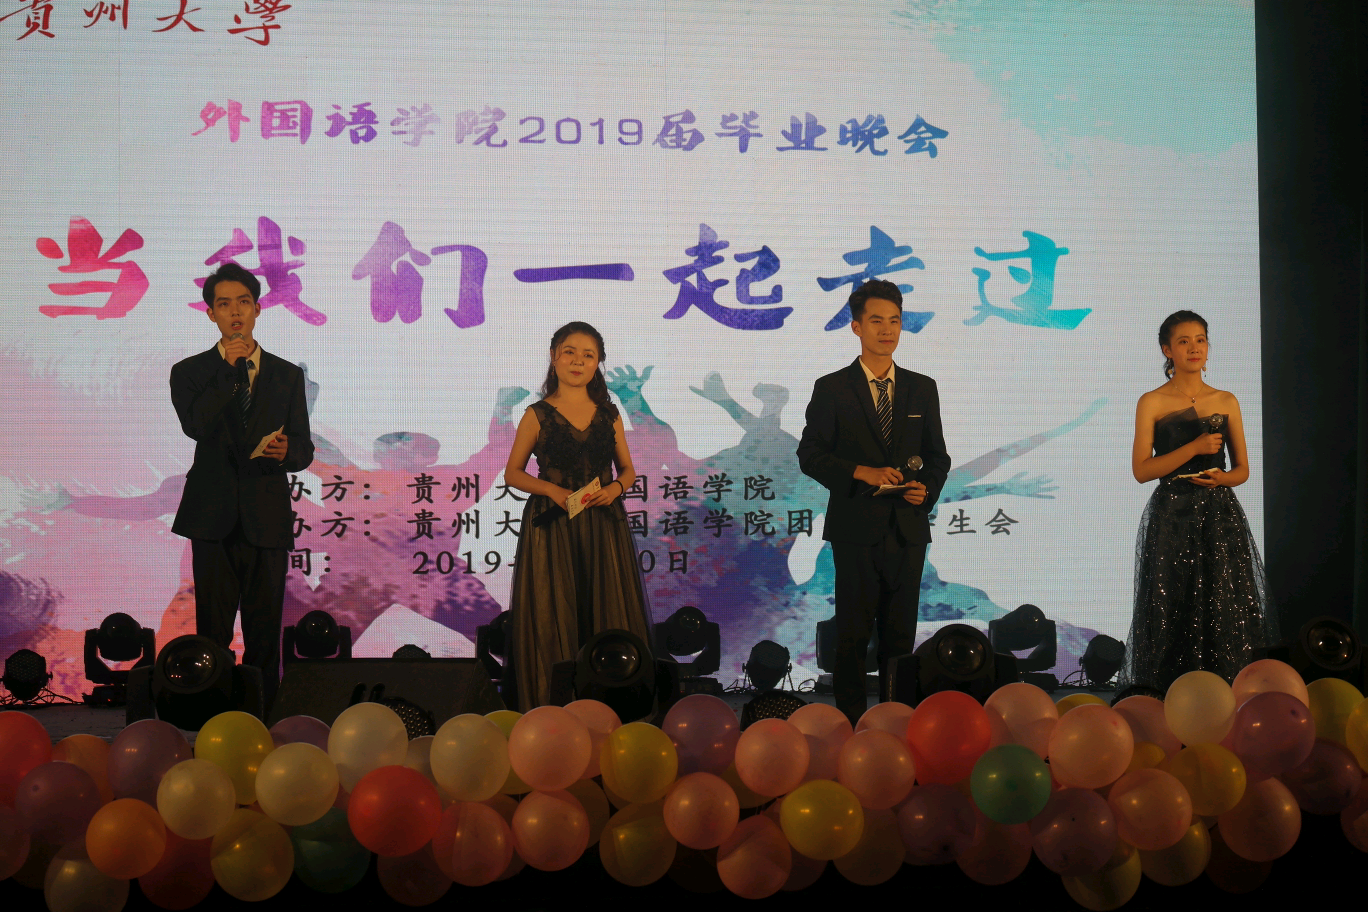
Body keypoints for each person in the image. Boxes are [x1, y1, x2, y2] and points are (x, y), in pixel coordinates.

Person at [797, 279, 951, 725]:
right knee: (853, 632)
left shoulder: (922, 388)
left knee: (900, 636)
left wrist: (927, 490)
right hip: (855, 529)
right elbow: (810, 455)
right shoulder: (833, 388)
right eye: (877, 321)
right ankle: (850, 725)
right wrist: (859, 471)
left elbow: (937, 457)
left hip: (908, 528)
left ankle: (896, 722)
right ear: (856, 327)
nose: (887, 330)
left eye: (895, 321)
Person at [170, 262, 314, 711]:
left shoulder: (286, 375)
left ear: (257, 309)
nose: (235, 312)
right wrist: (229, 371)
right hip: (211, 516)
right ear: (210, 313)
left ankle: (263, 712)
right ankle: (212, 713)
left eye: (244, 302)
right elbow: (196, 426)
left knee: (264, 628)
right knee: (213, 629)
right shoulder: (190, 371)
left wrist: (288, 451)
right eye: (224, 304)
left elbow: (303, 448)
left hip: (266, 515)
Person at [1120, 310, 1275, 692]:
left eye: (1201, 340)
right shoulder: (1152, 402)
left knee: (1224, 605)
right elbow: (1142, 470)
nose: (1194, 348)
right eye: (1184, 341)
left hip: (1219, 515)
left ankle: (1228, 696)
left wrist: (1223, 478)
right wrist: (1194, 447)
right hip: (1172, 513)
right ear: (1167, 350)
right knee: (1173, 605)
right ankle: (1168, 698)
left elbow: (1242, 470)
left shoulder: (1225, 400)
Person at [503, 322, 653, 711]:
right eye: (569, 352)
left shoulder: (608, 414)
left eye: (588, 355)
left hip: (603, 524)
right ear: (554, 357)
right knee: (554, 612)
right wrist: (551, 490)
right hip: (553, 526)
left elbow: (628, 471)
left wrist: (616, 489)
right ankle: (552, 710)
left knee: (607, 611)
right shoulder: (537, 414)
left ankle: (611, 708)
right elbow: (513, 474)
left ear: (598, 363)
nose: (578, 361)